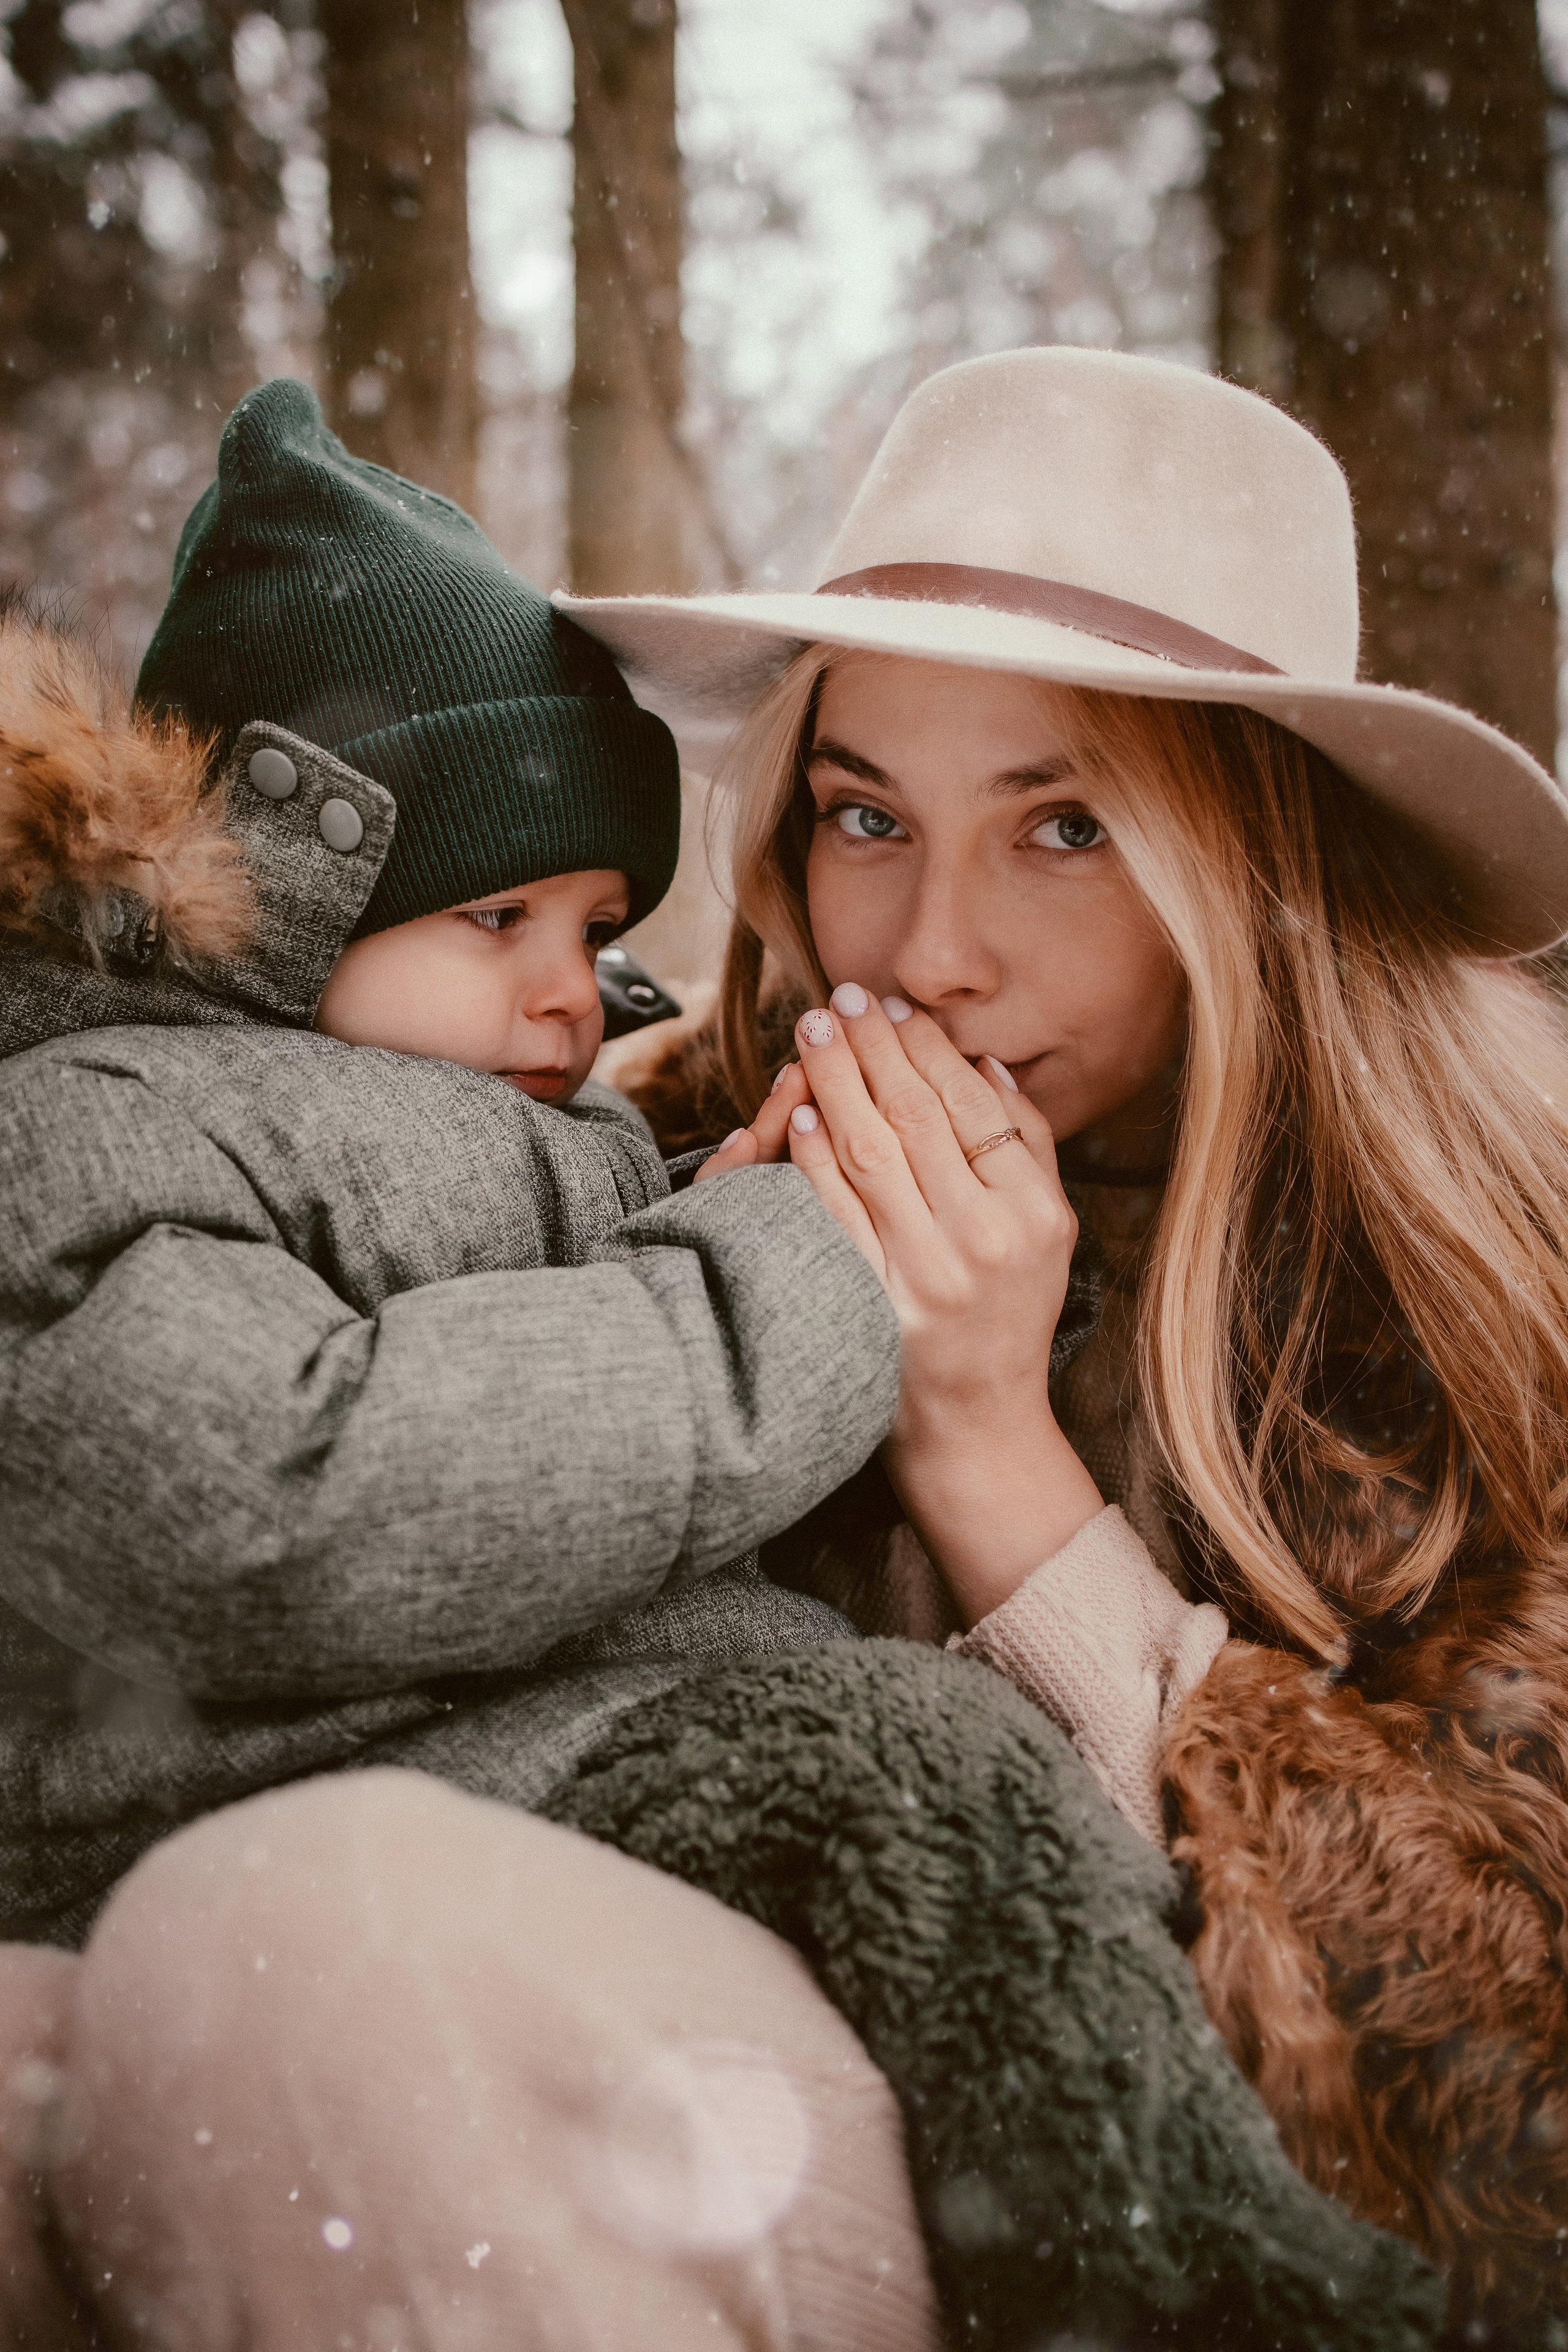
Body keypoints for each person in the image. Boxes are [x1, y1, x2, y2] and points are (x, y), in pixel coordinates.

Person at [562, 343, 1568, 2338]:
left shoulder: (1493, 1313)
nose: (930, 950)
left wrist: (990, 1459)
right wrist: (670, 1345)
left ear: (1266, 874)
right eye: (868, 816)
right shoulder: (636, 1156)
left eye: (1068, 829)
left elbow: (1497, 2137)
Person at [0, 379, 941, 2346]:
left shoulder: (524, 1120)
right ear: (267, 905)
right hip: (271, 1861)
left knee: (979, 1848)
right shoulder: (103, 1136)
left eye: (597, 920)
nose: (563, 987)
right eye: (492, 911)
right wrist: (772, 1284)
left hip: (505, 1865)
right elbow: (272, 1496)